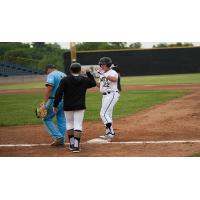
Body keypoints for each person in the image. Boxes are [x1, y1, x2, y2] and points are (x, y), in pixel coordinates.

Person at [53, 63, 96, 153]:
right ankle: (76, 145)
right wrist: (88, 73)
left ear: (70, 70)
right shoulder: (84, 80)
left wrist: (55, 105)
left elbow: (58, 93)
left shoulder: (65, 80)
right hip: (80, 106)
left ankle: (72, 144)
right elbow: (93, 83)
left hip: (68, 106)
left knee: (69, 123)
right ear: (80, 70)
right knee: (78, 124)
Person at [96, 57, 120, 141]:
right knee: (108, 115)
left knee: (103, 114)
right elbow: (100, 86)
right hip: (105, 96)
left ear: (107, 65)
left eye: (102, 64)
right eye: (101, 64)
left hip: (112, 94)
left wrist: (103, 73)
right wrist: (91, 79)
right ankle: (108, 133)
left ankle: (111, 132)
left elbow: (114, 79)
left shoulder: (113, 72)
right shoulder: (103, 74)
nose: (101, 65)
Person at [43, 64, 67, 147]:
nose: (47, 73)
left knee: (46, 118)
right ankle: (61, 141)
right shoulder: (64, 74)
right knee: (61, 119)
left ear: (49, 69)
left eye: (46, 71)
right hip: (65, 100)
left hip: (54, 100)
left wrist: (44, 102)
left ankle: (58, 137)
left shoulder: (51, 74)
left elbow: (49, 88)